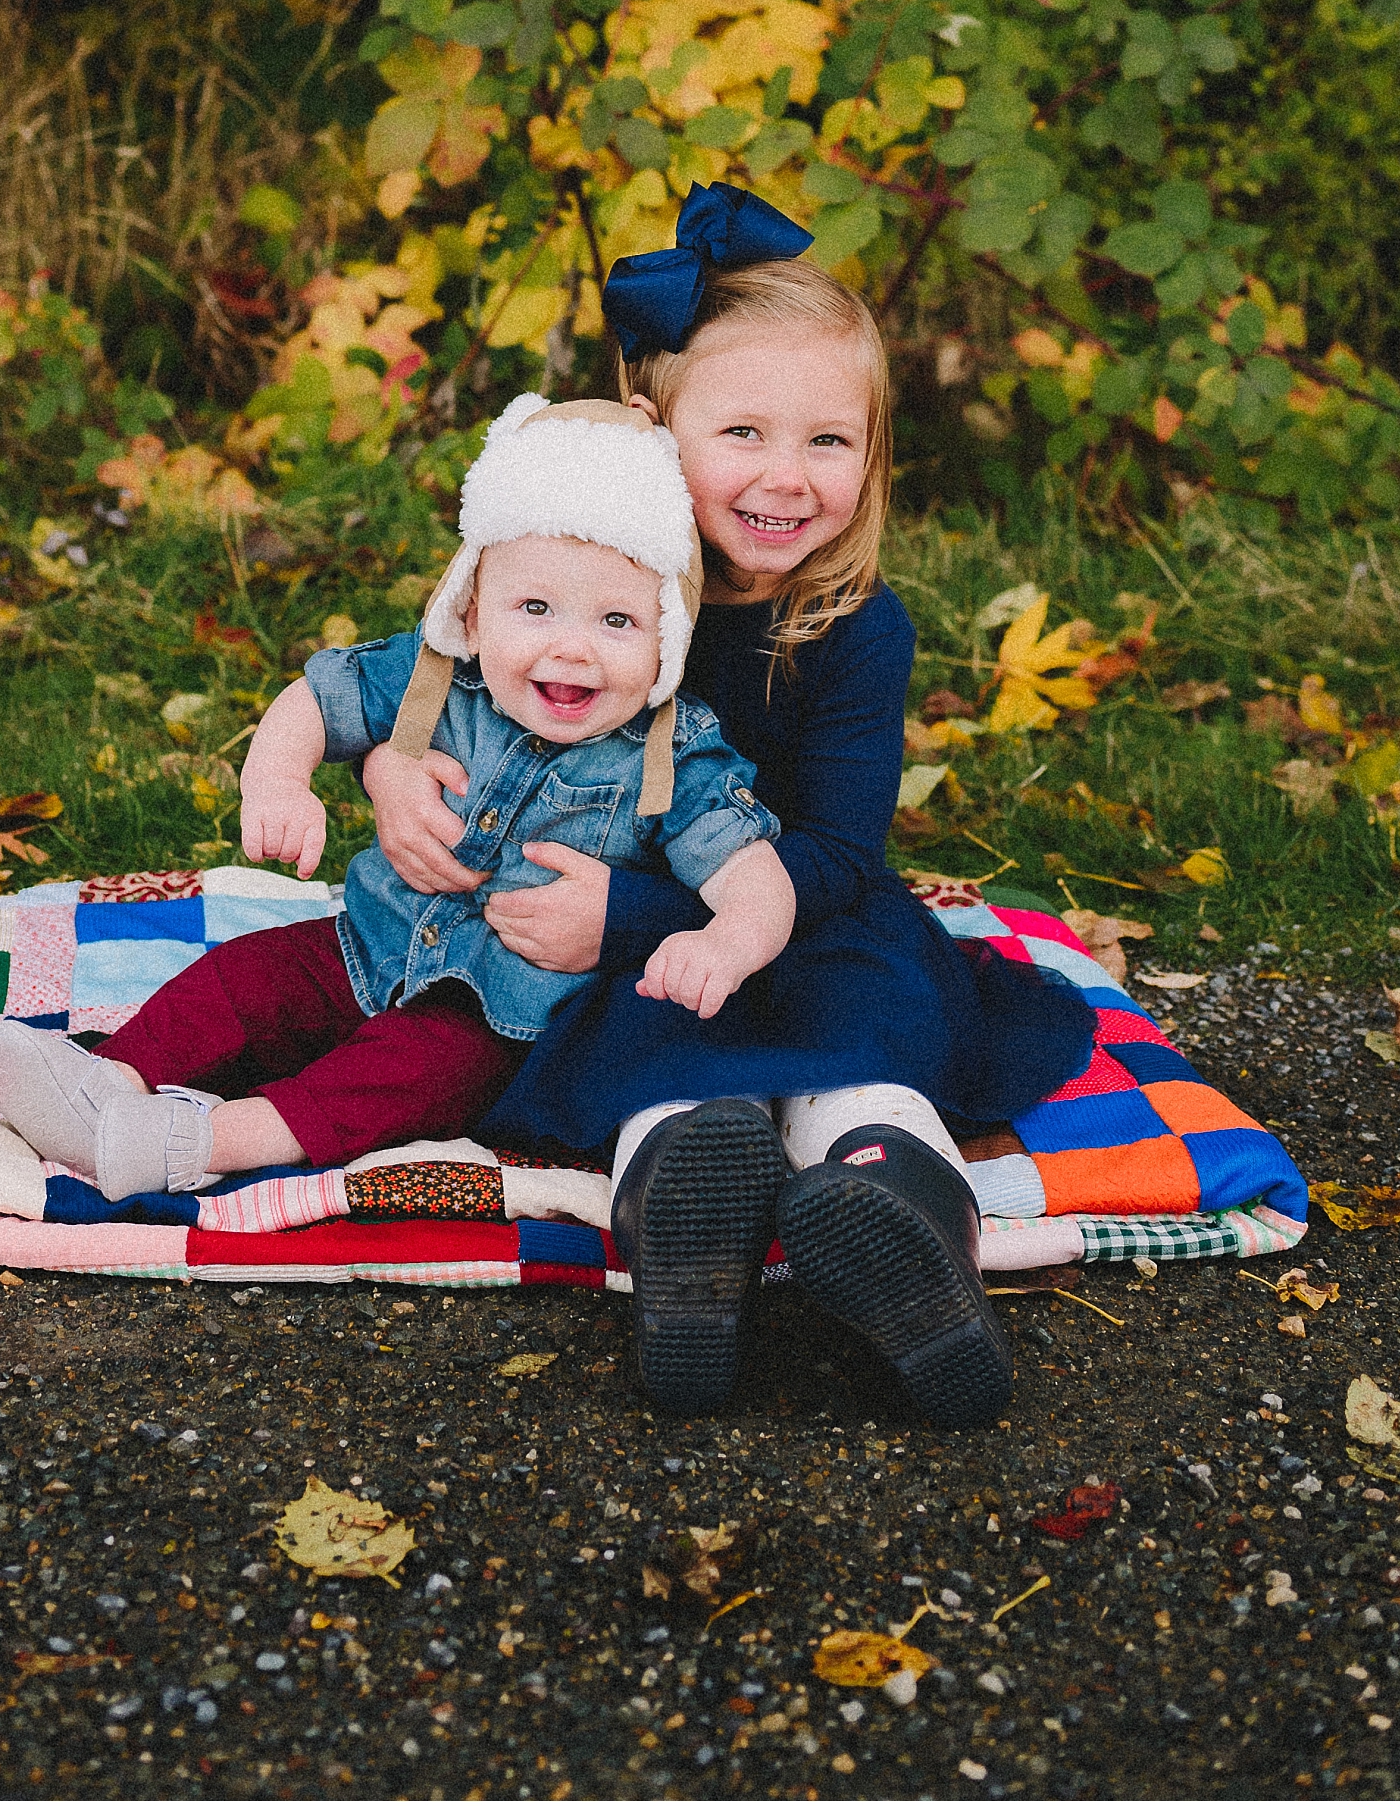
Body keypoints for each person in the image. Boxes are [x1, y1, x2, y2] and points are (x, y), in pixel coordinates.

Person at [364, 183, 1096, 1425]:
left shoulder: (859, 629)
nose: (787, 475)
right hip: (625, 949)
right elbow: (436, 674)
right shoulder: (593, 586)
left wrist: (645, 918)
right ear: (654, 432)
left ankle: (897, 1214)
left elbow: (839, 851)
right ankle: (687, 1238)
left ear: (871, 456)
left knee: (868, 1042)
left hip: (805, 917)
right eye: (744, 431)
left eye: (829, 440)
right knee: (668, 1060)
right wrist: (392, 770)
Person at [0, 393, 795, 1212]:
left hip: (495, 1022)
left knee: (400, 1078)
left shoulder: (673, 756)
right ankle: (105, 1079)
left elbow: (752, 871)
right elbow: (318, 700)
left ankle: (194, 1144)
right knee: (242, 981)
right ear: (473, 613)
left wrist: (727, 942)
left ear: (668, 641)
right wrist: (277, 781)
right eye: (534, 608)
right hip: (366, 943)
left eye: (617, 620)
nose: (570, 646)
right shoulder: (438, 678)